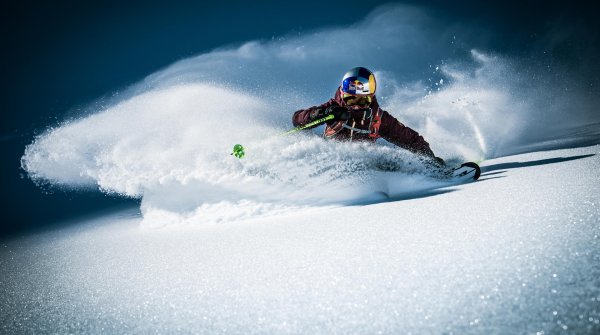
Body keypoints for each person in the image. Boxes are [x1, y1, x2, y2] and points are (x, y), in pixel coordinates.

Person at [292, 66, 445, 166]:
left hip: (364, 166)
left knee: (391, 162)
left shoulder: (378, 118)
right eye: (350, 99)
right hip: (329, 163)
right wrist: (319, 114)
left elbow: (411, 139)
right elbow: (297, 119)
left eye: (362, 100)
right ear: (343, 95)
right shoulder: (333, 108)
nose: (356, 105)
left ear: (371, 97)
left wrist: (430, 160)